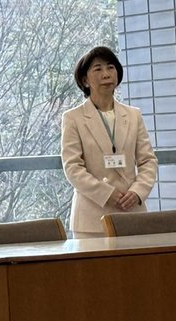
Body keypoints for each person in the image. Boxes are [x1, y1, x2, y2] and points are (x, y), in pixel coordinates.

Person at [61, 45, 157, 238]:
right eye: (98, 69)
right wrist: (106, 194)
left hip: (132, 211)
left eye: (110, 67)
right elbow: (72, 167)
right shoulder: (73, 118)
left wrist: (137, 192)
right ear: (85, 80)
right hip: (92, 217)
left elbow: (148, 161)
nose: (106, 74)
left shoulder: (133, 115)